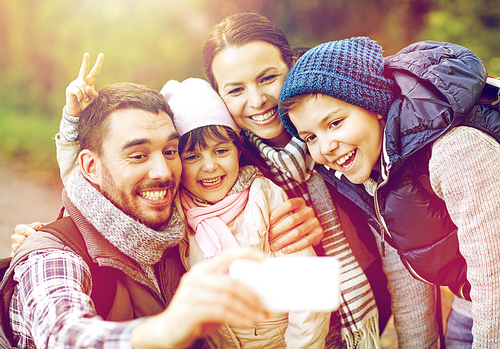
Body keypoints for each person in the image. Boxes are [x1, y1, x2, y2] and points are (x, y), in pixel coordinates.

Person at [202, 12, 439, 348]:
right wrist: (305, 263)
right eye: (235, 89)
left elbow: (401, 249)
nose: (256, 101)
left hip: (379, 317)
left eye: (268, 78)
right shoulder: (228, 169)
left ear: (293, 65)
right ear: (219, 98)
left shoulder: (347, 136)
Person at [4, 58, 272, 348]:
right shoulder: (53, 257)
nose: (164, 171)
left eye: (171, 151)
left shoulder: (181, 229)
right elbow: (62, 333)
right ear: (91, 168)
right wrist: (164, 330)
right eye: (138, 155)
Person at [278, 36, 500, 348]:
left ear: (375, 108)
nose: (325, 148)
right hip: (471, 302)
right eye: (310, 137)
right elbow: (407, 281)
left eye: (335, 123)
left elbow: (494, 275)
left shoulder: (456, 152)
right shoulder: (374, 176)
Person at [160, 77, 331, 348]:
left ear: (238, 148)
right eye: (192, 156)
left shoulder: (263, 196)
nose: (209, 166)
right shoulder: (177, 210)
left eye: (221, 151)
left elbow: (307, 296)